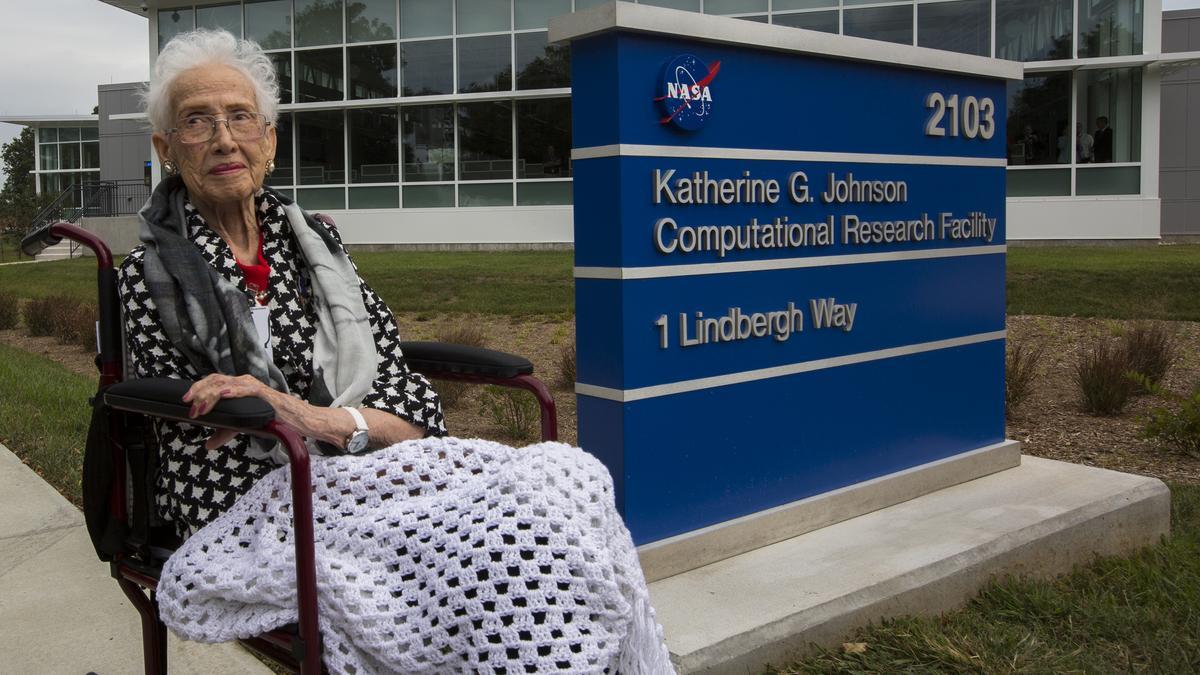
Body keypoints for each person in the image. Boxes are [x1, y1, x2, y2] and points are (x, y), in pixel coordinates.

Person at [119, 29, 445, 540]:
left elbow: (410, 402)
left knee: (554, 493)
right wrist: (347, 431)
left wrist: (313, 419)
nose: (224, 139)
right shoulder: (148, 275)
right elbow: (206, 439)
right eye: (197, 121)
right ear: (167, 148)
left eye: (241, 117)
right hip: (245, 501)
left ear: (268, 139)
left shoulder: (318, 245)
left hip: (364, 474)